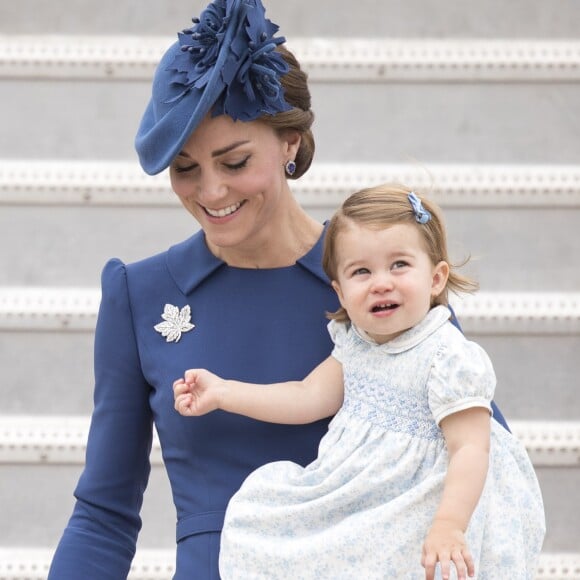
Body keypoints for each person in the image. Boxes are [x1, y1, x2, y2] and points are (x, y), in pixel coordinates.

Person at [48, 0, 509, 577]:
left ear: (290, 142)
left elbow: (485, 467)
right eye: (185, 169)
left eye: (234, 161)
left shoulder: (383, 289)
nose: (211, 191)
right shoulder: (139, 295)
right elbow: (103, 515)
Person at [174, 185, 545, 579]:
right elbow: (308, 396)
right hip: (364, 494)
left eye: (399, 265)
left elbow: (471, 447)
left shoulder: (447, 356)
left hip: (430, 500)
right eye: (361, 272)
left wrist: (450, 525)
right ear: (341, 292)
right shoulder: (357, 344)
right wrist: (225, 392)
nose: (381, 283)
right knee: (269, 520)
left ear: (436, 279)